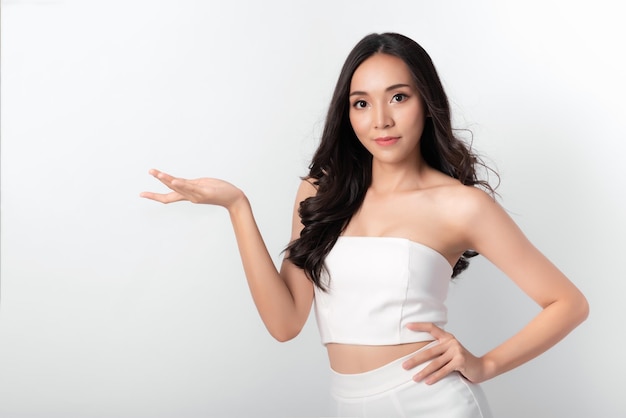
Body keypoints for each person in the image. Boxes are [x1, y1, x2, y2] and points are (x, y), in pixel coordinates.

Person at [140, 32, 588, 417]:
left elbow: (568, 302)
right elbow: (284, 323)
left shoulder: (460, 206)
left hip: (432, 402)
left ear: (427, 104)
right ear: (347, 112)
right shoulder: (320, 194)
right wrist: (237, 207)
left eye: (399, 97)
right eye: (361, 102)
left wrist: (484, 364)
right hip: (349, 404)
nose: (381, 121)